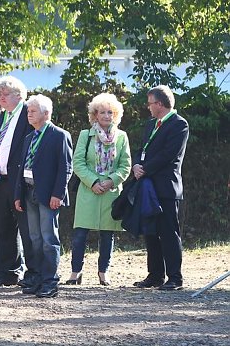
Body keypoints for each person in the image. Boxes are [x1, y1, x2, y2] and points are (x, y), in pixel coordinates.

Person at [67, 93, 132, 286]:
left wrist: (111, 181)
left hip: (111, 192)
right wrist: (93, 182)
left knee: (107, 235)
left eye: (110, 112)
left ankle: (103, 273)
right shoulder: (85, 135)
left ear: (116, 115)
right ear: (94, 115)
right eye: (102, 112)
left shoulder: (122, 137)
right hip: (88, 190)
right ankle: (75, 272)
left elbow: (126, 165)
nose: (106, 116)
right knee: (80, 234)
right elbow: (77, 163)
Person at [14, 95, 73, 298]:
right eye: (28, 111)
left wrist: (58, 193)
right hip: (29, 192)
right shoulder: (29, 137)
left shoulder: (59, 136)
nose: (28, 114)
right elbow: (22, 168)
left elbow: (65, 168)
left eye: (33, 111)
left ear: (46, 113)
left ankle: (50, 280)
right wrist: (18, 194)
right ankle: (37, 278)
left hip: (48, 195)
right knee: (35, 238)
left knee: (49, 238)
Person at [132, 85, 189, 290]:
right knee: (151, 231)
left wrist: (145, 168)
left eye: (150, 103)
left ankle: (175, 277)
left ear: (159, 104)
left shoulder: (179, 124)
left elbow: (168, 155)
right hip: (148, 186)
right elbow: (141, 149)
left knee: (168, 231)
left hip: (166, 187)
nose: (148, 107)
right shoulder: (150, 125)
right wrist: (136, 165)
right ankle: (155, 275)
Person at [0, 76, 35, 287]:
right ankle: (7, 272)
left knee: (27, 229)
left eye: (5, 95)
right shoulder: (2, 117)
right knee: (3, 228)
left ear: (19, 96)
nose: (1, 99)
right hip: (1, 180)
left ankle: (33, 273)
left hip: (20, 182)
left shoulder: (27, 114)